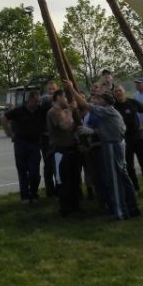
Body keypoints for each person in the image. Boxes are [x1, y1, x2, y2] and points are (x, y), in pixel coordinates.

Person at [76, 84, 140, 220]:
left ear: (104, 102)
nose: (95, 101)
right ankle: (132, 207)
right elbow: (112, 129)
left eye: (98, 100)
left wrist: (70, 89)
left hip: (112, 146)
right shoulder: (111, 113)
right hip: (116, 144)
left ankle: (120, 212)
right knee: (123, 176)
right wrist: (93, 131)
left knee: (115, 179)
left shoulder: (107, 111)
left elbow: (85, 105)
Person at [47, 84, 87, 217]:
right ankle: (66, 209)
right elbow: (64, 126)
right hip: (60, 150)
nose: (67, 100)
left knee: (75, 179)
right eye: (65, 97)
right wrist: (70, 110)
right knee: (64, 181)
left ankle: (76, 205)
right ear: (58, 97)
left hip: (72, 148)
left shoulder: (64, 111)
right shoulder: (53, 112)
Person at [0, 89, 45, 204]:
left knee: (34, 173)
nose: (38, 103)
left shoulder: (39, 110)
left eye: (39, 101)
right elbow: (3, 117)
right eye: (36, 101)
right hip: (21, 144)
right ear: (29, 100)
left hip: (35, 145)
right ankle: (25, 196)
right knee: (22, 171)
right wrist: (9, 133)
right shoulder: (19, 110)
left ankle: (34, 193)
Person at [113, 85, 143, 197]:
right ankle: (134, 188)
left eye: (119, 90)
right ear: (114, 94)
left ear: (124, 91)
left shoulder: (132, 102)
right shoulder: (114, 106)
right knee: (129, 166)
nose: (118, 92)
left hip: (138, 137)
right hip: (124, 140)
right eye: (116, 91)